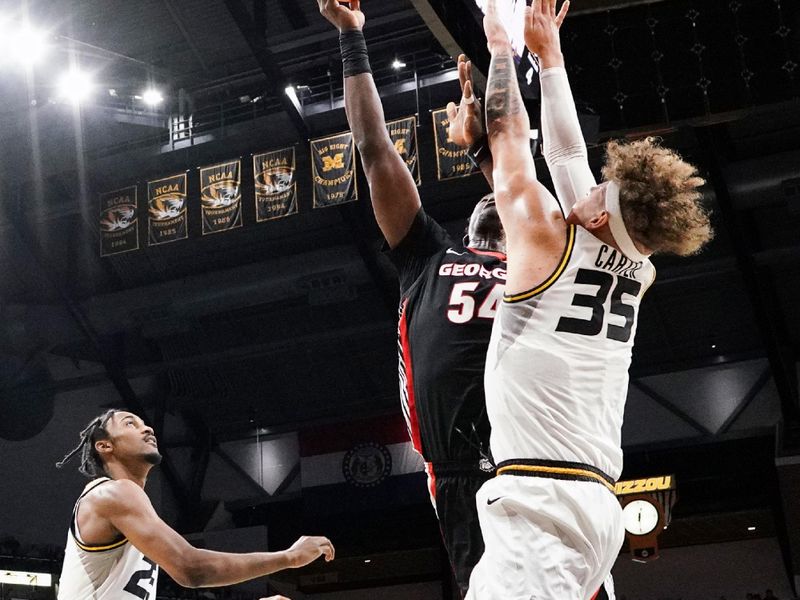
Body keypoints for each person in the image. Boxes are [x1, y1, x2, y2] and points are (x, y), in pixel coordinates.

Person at [466, 0, 713, 598]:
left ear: (601, 210)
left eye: (600, 186)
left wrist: (501, 43)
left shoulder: (547, 233)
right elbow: (567, 157)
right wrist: (549, 56)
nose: (586, 181)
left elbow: (511, 140)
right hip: (594, 503)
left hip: (541, 502)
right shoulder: (637, 265)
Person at [316, 1, 504, 595]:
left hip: (546, 461)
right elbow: (373, 149)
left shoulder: (542, 260)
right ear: (471, 230)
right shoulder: (431, 259)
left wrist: (485, 152)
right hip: (461, 475)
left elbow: (528, 187)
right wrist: (352, 38)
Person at [55, 409, 334, 600]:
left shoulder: (131, 507)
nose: (148, 428)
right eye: (130, 423)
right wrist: (289, 557)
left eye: (144, 423)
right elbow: (192, 569)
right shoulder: (115, 494)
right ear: (105, 446)